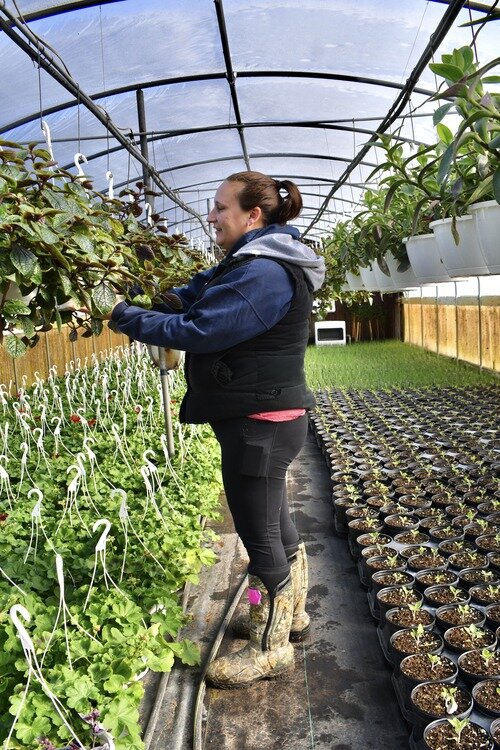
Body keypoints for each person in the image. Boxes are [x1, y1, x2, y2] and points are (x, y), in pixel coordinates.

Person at [109, 171, 325, 689]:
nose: (211, 216)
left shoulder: (265, 273)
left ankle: (268, 648)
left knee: (261, 544)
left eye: (220, 208)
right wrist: (141, 296)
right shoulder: (252, 263)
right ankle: (290, 616)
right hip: (268, 420)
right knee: (278, 528)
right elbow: (192, 300)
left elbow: (201, 330)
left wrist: (122, 316)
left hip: (259, 427)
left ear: (254, 215)